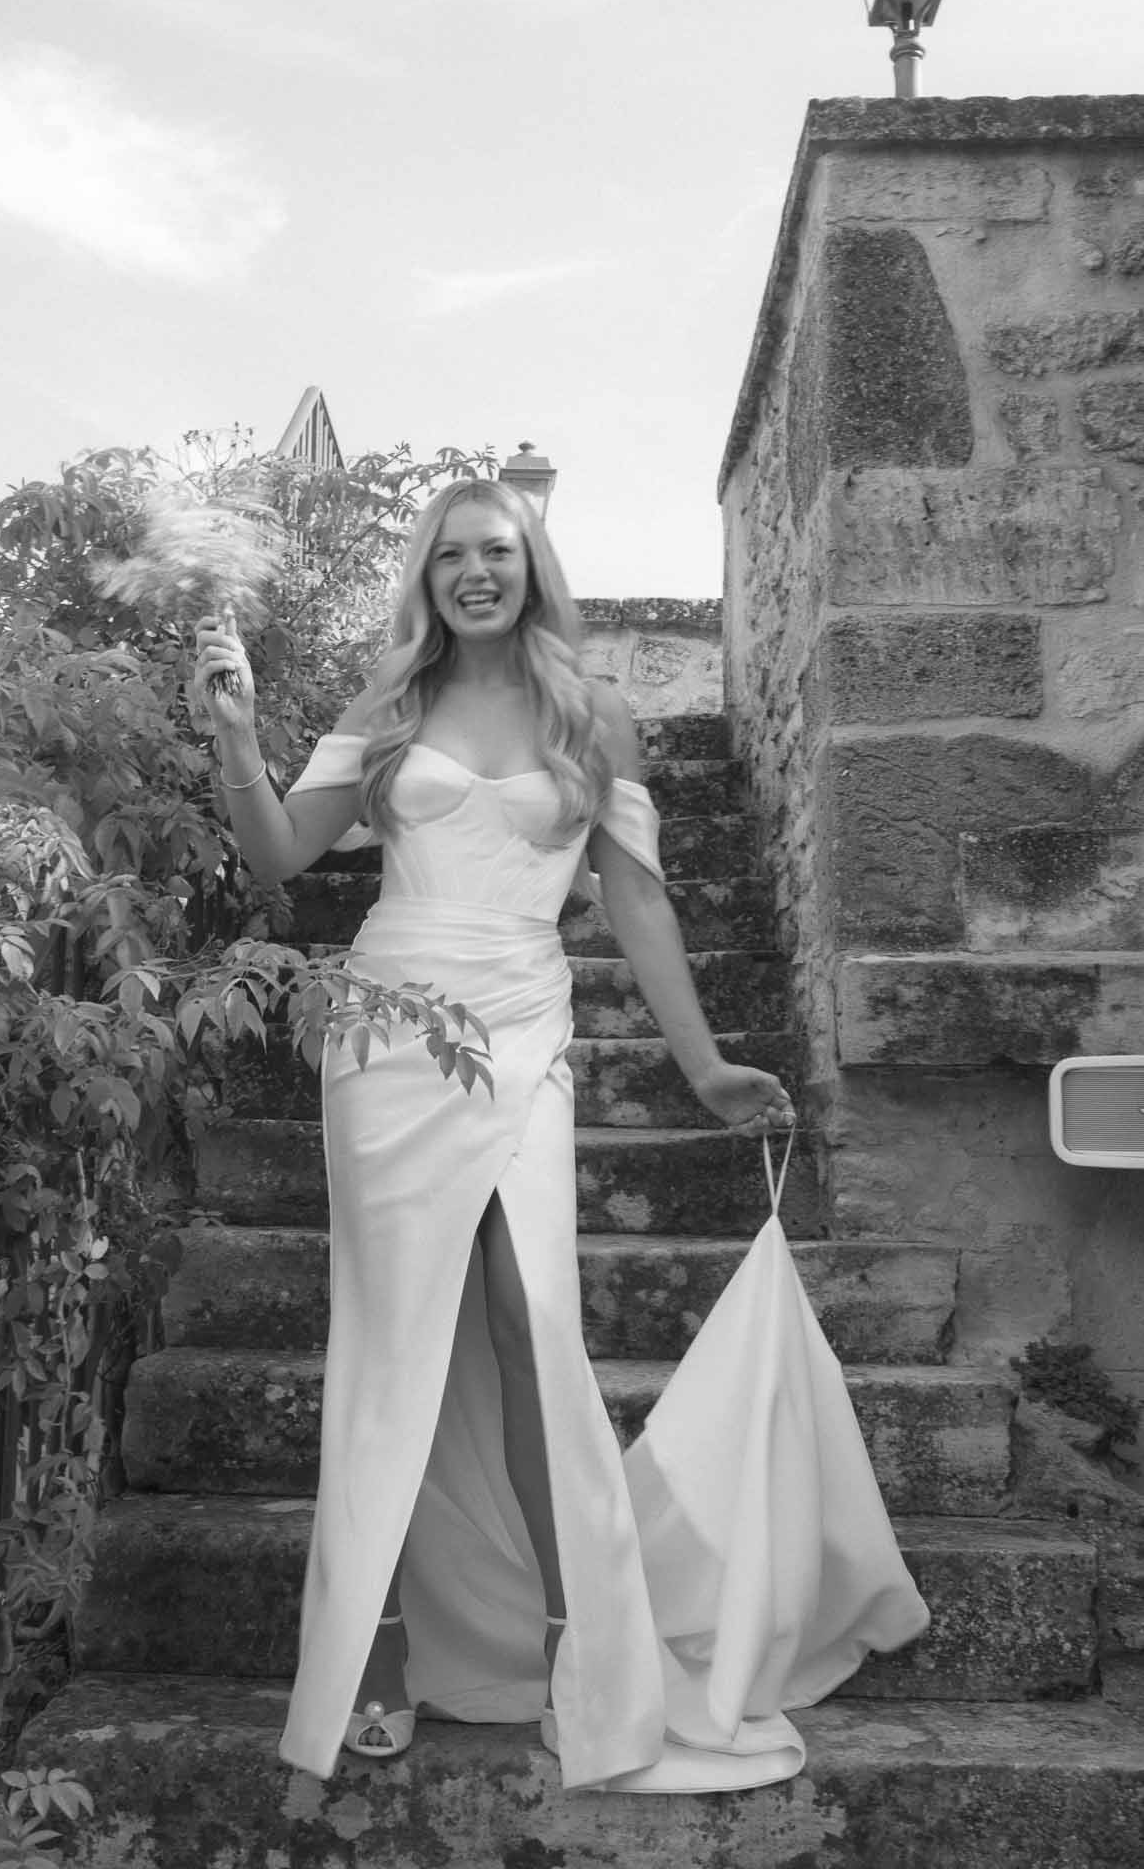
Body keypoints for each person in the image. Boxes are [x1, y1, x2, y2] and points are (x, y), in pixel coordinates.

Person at [191, 477, 921, 1794]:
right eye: (454, 554)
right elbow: (282, 859)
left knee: (533, 1330)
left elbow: (634, 901)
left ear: (533, 567)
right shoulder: (387, 707)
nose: (478, 571)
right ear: (426, 575)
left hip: (524, 1030)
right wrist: (238, 738)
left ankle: (576, 1645)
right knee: (396, 1339)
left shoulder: (592, 716)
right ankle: (377, 1652)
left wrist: (699, 1064)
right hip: (388, 1036)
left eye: (500, 550)